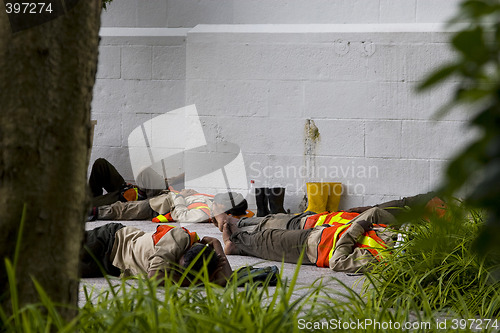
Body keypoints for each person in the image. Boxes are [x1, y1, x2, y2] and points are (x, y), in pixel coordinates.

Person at [220, 207, 397, 273]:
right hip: (320, 231)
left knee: (269, 239)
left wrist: (356, 228)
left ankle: (235, 243)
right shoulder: (393, 234)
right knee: (271, 227)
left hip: (314, 248)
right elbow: (374, 213)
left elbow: (338, 262)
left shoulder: (385, 258)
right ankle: (236, 231)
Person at [88, 158, 249, 223]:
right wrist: (174, 183)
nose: (217, 202)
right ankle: (136, 192)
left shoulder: (204, 213)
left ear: (225, 210)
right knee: (101, 164)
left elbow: (182, 215)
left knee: (116, 209)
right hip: (156, 192)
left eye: (221, 203)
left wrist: (179, 196)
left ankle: (90, 208)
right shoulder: (212, 200)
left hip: (158, 202)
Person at [80, 222, 233, 286]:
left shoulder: (204, 261)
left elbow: (225, 279)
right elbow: (154, 277)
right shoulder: (178, 239)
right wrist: (195, 282)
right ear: (183, 252)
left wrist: (216, 244)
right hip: (109, 241)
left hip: (111, 265)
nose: (177, 274)